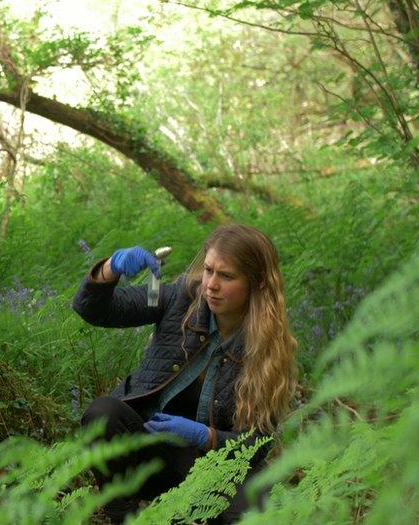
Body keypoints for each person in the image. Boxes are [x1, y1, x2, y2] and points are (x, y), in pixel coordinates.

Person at [73, 224, 297, 523]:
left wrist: (205, 436)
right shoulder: (181, 300)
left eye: (226, 276)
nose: (211, 285)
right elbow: (93, 309)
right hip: (145, 453)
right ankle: (122, 516)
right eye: (208, 270)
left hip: (210, 467)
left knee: (257, 509)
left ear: (255, 283)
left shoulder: (268, 347)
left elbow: (257, 444)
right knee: (104, 413)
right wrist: (110, 269)